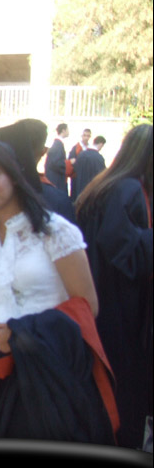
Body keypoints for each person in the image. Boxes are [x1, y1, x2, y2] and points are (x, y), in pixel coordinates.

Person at [0, 139, 117, 443]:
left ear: (14, 175)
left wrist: (23, 332)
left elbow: (87, 306)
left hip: (40, 368)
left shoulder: (54, 231)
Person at [75, 124, 152, 450]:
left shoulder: (105, 185)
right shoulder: (128, 190)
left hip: (100, 295)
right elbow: (123, 249)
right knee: (124, 385)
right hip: (119, 303)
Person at [71, 135, 106, 200]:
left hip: (79, 191)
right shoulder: (98, 158)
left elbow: (74, 170)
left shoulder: (81, 155)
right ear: (101, 144)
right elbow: (101, 175)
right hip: (91, 193)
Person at [45, 122, 69, 193]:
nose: (69, 132)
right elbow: (57, 163)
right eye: (67, 129)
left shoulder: (57, 144)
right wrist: (69, 163)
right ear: (63, 130)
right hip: (56, 180)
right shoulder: (58, 145)